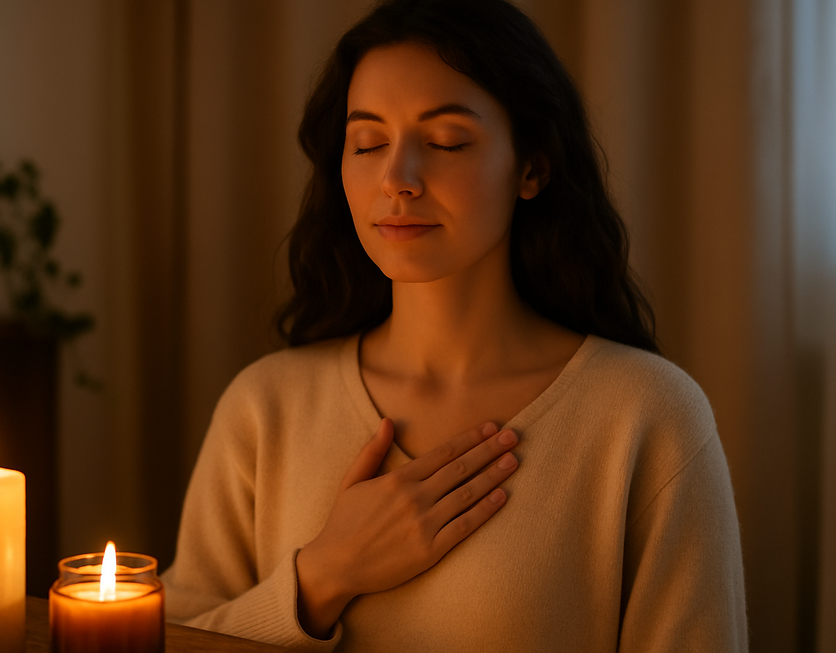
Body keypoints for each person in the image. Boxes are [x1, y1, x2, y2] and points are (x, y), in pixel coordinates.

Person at [161, 0, 748, 650]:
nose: (397, 179)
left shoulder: (647, 417)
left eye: (445, 142)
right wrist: (323, 576)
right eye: (368, 144)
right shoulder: (264, 408)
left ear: (532, 167)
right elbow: (169, 639)